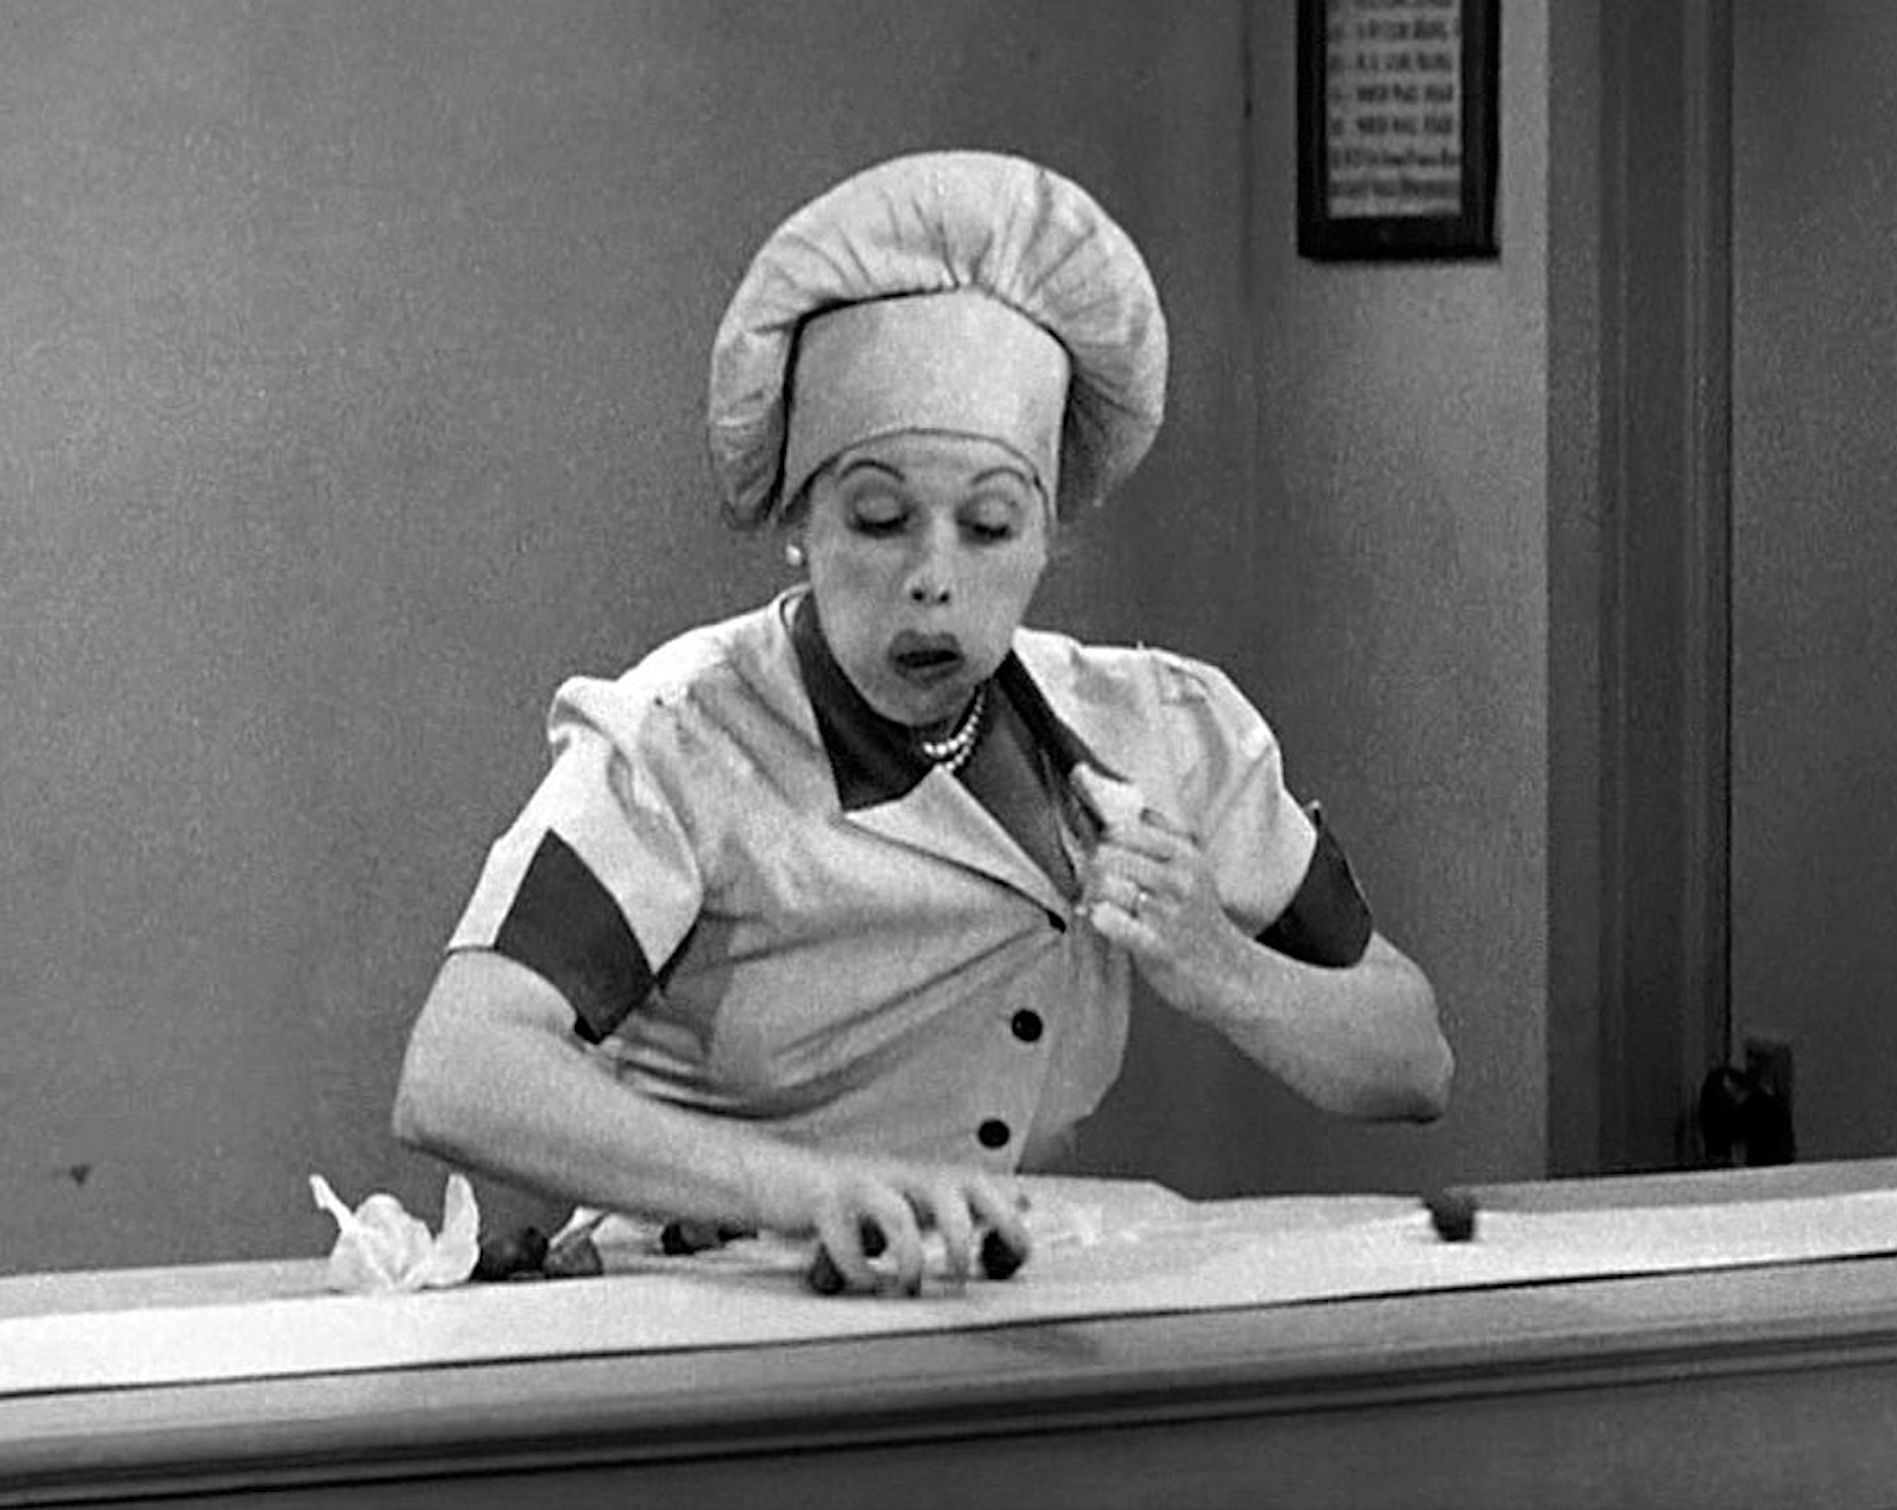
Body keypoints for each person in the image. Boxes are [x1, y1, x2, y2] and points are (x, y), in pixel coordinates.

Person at [393, 150, 1451, 1296]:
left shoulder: (1160, 729)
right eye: (878, 519)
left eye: (988, 526)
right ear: (800, 523)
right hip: (706, 1312)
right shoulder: (679, 741)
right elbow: (457, 1071)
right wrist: (807, 1189)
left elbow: (1411, 1059)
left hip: (990, 1306)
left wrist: (1218, 964)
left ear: (1047, 537)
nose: (932, 578)